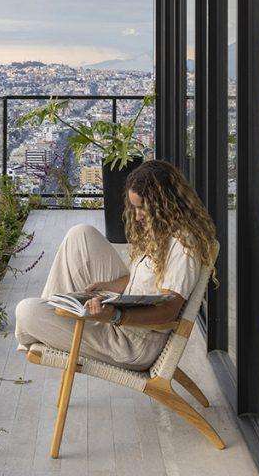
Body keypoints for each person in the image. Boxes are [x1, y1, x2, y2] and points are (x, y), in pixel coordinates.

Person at [15, 159, 218, 371]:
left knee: (26, 310)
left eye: (143, 208)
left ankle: (44, 326)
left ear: (164, 203)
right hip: (126, 309)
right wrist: (108, 286)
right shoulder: (165, 231)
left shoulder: (183, 245)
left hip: (132, 342)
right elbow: (147, 283)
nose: (137, 216)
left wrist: (115, 315)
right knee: (81, 234)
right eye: (134, 207)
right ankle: (57, 315)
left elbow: (167, 310)